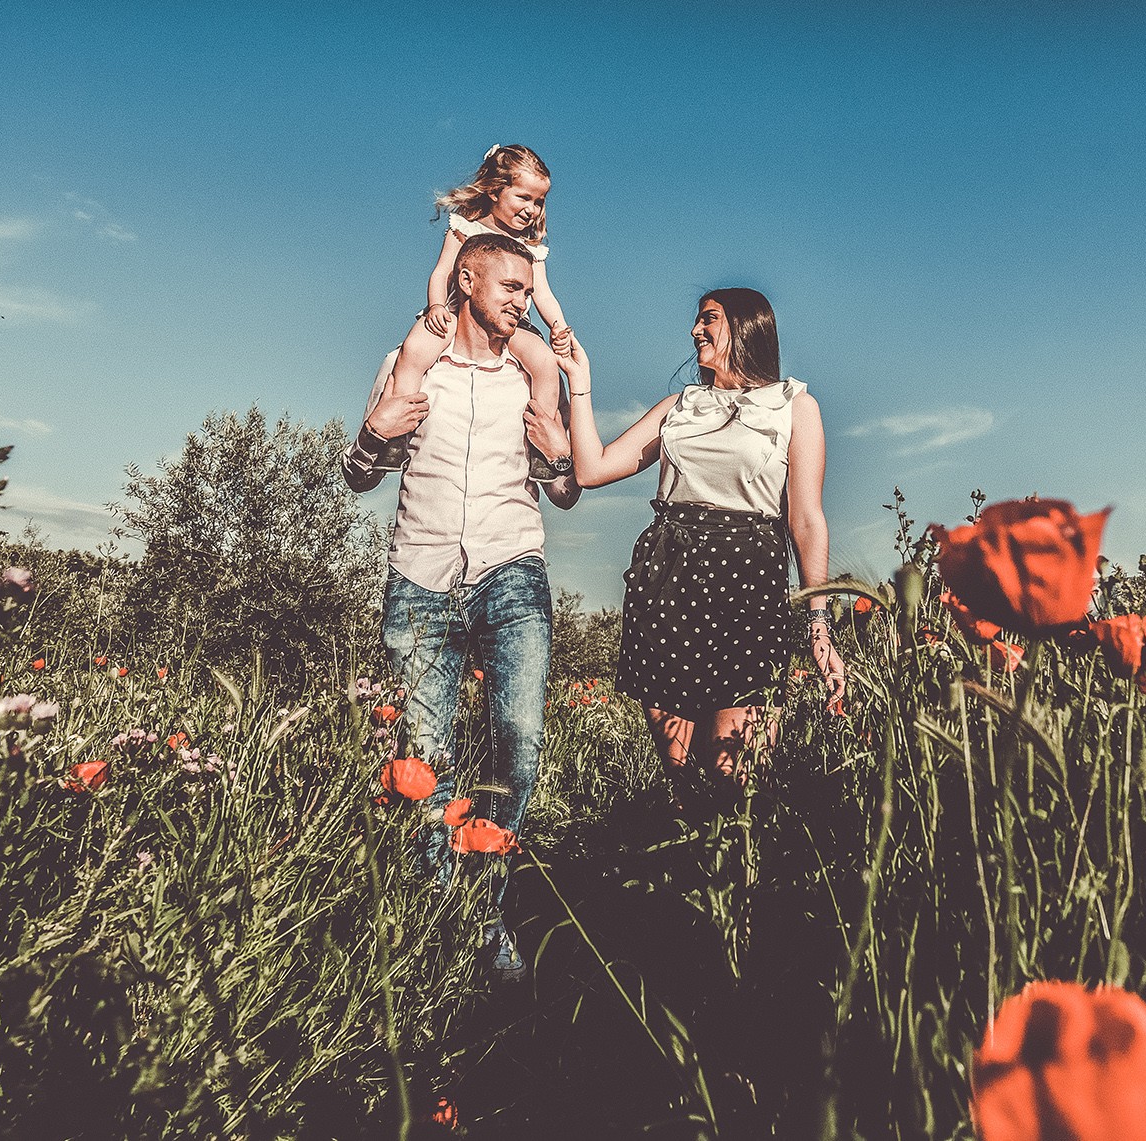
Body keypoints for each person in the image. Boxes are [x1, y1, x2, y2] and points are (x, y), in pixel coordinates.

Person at [340, 231, 579, 980]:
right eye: (511, 286)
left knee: (520, 740)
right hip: (421, 574)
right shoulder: (409, 364)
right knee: (423, 760)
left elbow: (565, 491)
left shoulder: (531, 377)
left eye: (527, 289)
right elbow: (357, 476)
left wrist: (561, 451)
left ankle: (486, 902)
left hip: (513, 568)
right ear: (467, 280)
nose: (523, 301)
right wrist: (374, 434)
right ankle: (443, 922)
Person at [556, 289, 845, 814]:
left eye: (708, 319)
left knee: (735, 771)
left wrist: (818, 622)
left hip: (748, 582)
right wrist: (580, 384)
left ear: (746, 325)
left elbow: (806, 520)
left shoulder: (794, 407)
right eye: (696, 320)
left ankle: (745, 885)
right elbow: (592, 469)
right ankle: (679, 879)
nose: (695, 331)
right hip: (667, 578)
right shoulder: (678, 406)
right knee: (681, 774)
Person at [369, 145, 570, 481]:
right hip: (453, 313)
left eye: (538, 202)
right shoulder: (464, 226)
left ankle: (541, 440)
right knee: (413, 350)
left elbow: (544, 294)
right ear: (494, 190)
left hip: (514, 324)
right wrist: (435, 306)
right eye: (523, 197)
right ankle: (398, 432)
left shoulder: (532, 246)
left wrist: (559, 328)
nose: (532, 209)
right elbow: (443, 272)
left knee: (545, 364)